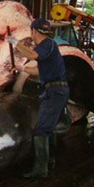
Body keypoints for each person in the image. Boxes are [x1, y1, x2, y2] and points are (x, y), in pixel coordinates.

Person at [7, 18, 69, 178]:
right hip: (55, 90)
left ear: (34, 31)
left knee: (41, 129)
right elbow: (40, 71)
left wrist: (15, 42)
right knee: (49, 127)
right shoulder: (49, 47)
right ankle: (50, 161)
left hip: (55, 90)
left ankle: (41, 169)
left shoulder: (47, 44)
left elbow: (32, 55)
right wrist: (22, 68)